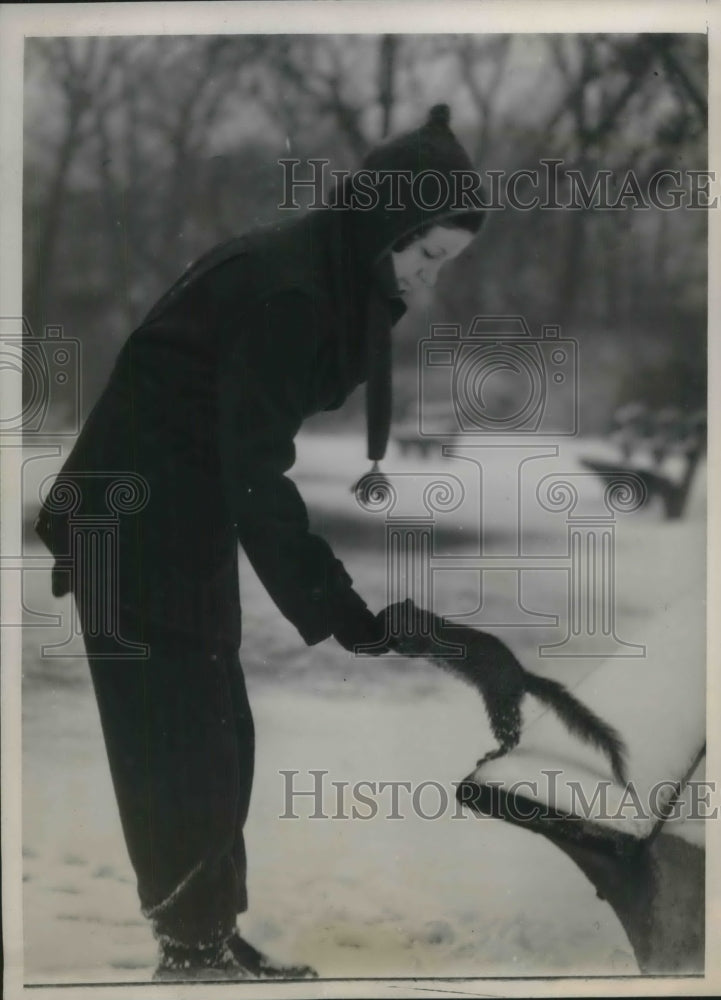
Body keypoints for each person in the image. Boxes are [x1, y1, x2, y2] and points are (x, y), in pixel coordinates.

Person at [34, 104, 485, 981]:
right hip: (131, 522)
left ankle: (206, 936)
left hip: (169, 511)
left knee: (217, 732)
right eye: (426, 257)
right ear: (387, 224)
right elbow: (255, 474)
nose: (428, 283)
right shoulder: (289, 289)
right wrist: (339, 610)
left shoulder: (317, 269)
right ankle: (192, 952)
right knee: (179, 740)